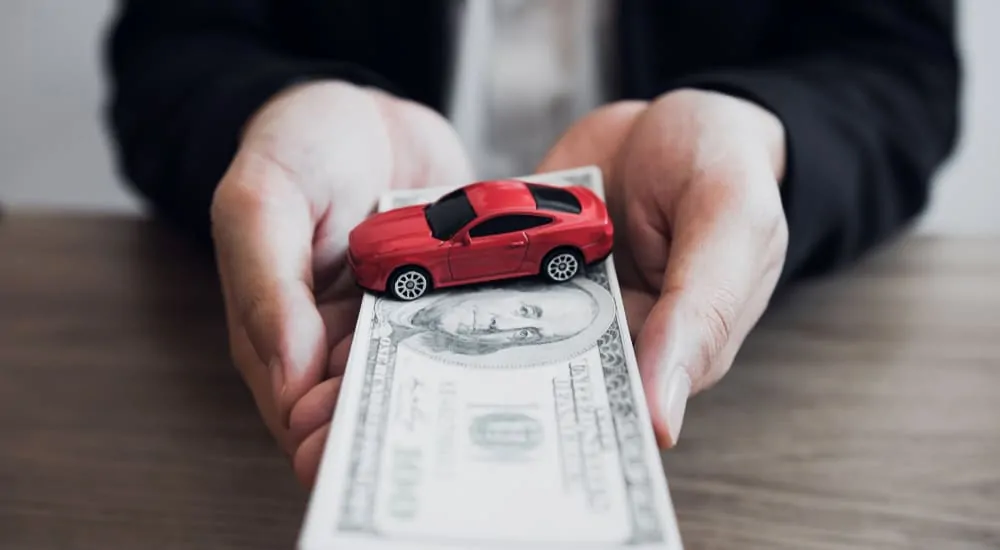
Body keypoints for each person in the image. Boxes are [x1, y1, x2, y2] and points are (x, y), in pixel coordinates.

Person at [102, 0, 961, 486]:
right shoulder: (399, 242)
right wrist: (274, 112)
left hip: (752, 424)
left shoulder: (557, 240)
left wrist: (763, 139)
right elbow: (176, 42)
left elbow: (896, 66)